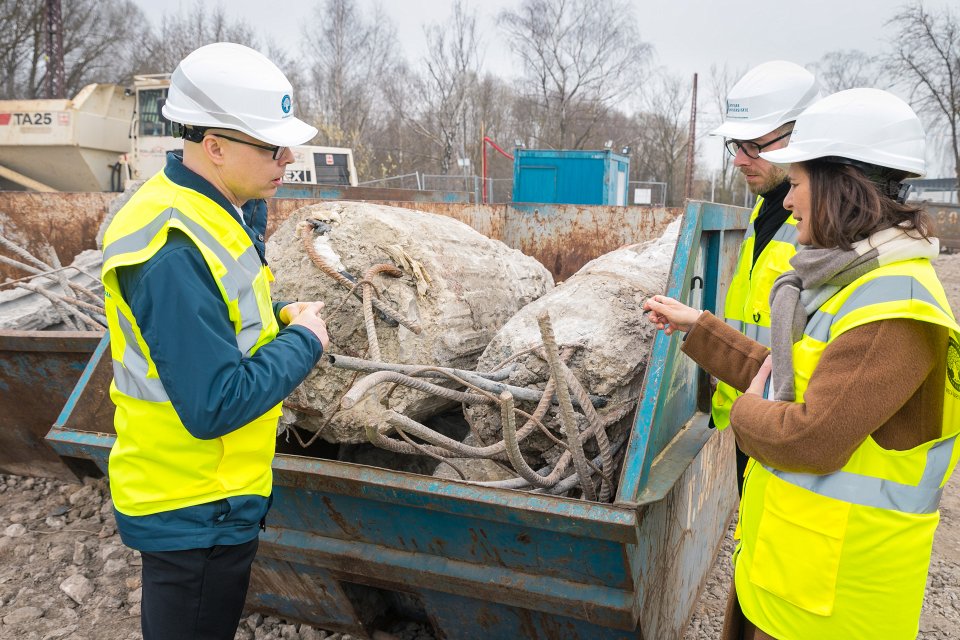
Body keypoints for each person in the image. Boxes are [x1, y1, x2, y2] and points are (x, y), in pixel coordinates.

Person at [644, 88, 960, 640]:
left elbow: (808, 436)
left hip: (832, 607)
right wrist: (701, 329)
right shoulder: (857, 282)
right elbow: (795, 377)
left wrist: (741, 414)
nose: (787, 204)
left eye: (796, 185)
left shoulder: (893, 311)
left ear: (841, 189)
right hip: (793, 576)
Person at [100, 43, 329, 640]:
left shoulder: (210, 208)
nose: (288, 156)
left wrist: (277, 315)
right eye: (270, 145)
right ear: (215, 146)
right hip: (193, 505)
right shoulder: (172, 245)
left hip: (208, 496)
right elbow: (215, 402)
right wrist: (304, 340)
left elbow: (217, 319)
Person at [709, 61, 823, 496]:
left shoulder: (824, 228)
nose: (738, 159)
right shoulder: (764, 211)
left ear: (800, 137)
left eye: (753, 145)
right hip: (755, 410)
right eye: (735, 145)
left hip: (790, 427)